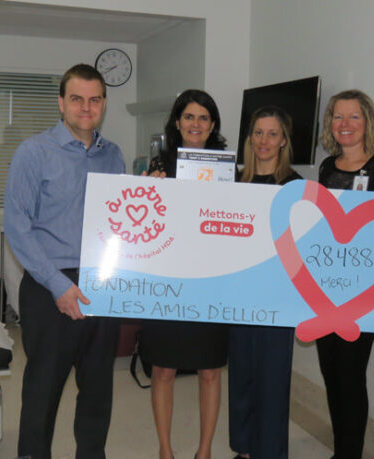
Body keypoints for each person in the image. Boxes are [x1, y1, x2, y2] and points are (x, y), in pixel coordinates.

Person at [4, 63, 125, 459]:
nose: (85, 107)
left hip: (101, 285)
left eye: (94, 100)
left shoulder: (114, 156)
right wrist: (58, 285)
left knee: (97, 390)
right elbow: (17, 227)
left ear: (104, 104)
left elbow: (121, 223)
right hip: (48, 286)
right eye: (77, 99)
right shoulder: (33, 152)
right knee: (42, 390)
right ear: (61, 103)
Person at [140, 89, 228, 459]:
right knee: (163, 369)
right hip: (168, 281)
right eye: (189, 117)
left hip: (210, 280)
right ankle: (165, 449)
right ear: (177, 123)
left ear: (212, 126)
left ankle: (204, 450)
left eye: (203, 118)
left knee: (209, 371)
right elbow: (145, 224)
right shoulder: (158, 167)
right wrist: (148, 191)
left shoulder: (228, 170)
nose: (196, 124)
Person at [315, 90, 374, 459]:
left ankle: (350, 454)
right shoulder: (326, 169)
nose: (344, 125)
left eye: (353, 118)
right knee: (331, 376)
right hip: (325, 294)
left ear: (368, 124)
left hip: (360, 297)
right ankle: (340, 451)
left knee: (350, 378)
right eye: (337, 117)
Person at [228, 106, 302, 459]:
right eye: (258, 133)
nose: (264, 141)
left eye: (272, 134)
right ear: (250, 138)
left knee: (273, 380)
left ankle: (270, 452)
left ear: (284, 140)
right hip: (239, 294)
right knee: (241, 375)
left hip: (278, 296)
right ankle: (244, 449)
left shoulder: (296, 186)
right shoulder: (234, 183)